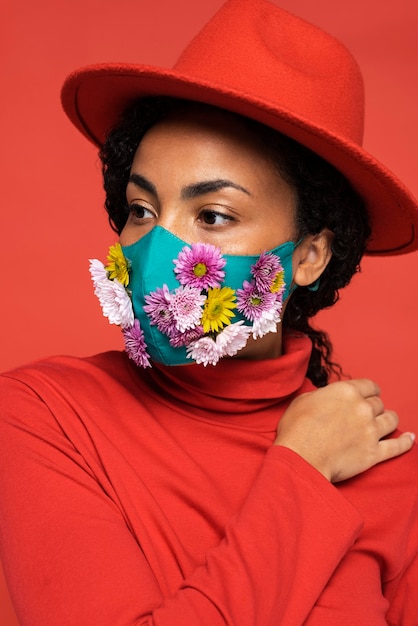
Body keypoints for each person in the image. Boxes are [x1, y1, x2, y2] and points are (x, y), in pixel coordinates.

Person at [1, 0, 417, 624]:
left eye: (212, 216)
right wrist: (301, 468)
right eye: (141, 210)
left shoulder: (385, 464)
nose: (156, 248)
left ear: (308, 256)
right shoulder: (42, 415)